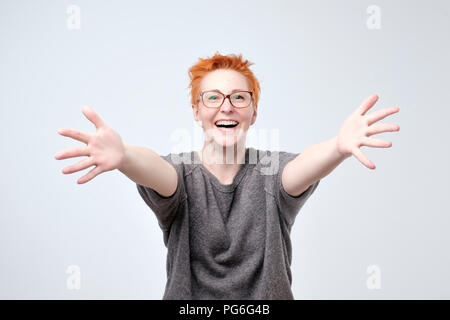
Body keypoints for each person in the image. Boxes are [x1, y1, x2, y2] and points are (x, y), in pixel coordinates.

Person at [54, 52, 400, 299]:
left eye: (238, 97)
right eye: (213, 98)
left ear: (253, 112)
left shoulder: (271, 173)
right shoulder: (181, 175)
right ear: (197, 111)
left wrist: (338, 146)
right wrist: (125, 156)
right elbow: (158, 171)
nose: (226, 106)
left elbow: (301, 169)